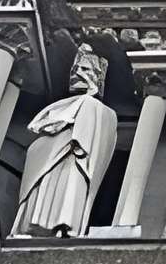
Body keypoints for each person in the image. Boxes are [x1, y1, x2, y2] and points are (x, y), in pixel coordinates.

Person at [13, 43, 119, 236]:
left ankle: (62, 227)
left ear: (97, 77)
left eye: (85, 69)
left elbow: (91, 143)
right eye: (74, 69)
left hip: (72, 162)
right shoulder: (61, 106)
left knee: (66, 190)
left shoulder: (97, 108)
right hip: (50, 162)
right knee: (42, 192)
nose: (77, 73)